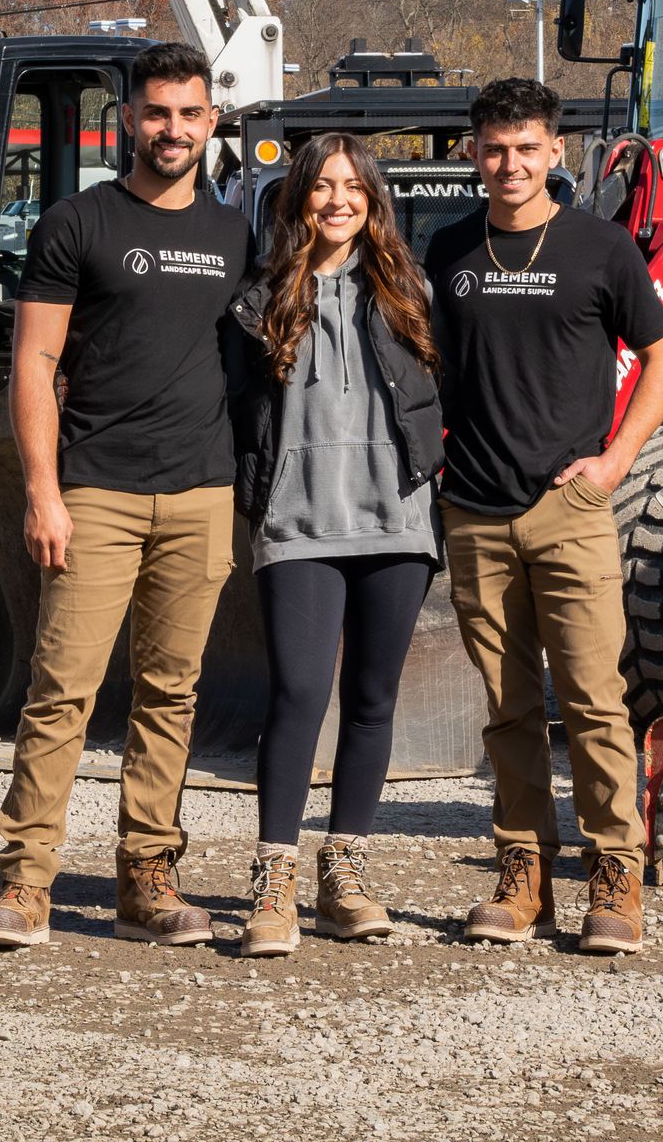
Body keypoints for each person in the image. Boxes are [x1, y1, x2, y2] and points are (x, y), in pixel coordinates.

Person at [0, 42, 251, 951]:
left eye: (190, 114)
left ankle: (146, 882)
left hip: (202, 493)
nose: (173, 130)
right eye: (158, 112)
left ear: (213, 123)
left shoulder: (234, 234)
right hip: (96, 492)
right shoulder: (78, 222)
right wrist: (43, 493)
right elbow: (34, 363)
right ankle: (25, 885)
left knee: (172, 696)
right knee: (63, 691)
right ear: (129, 118)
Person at [423, 77, 663, 956]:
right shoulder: (450, 252)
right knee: (506, 708)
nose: (510, 165)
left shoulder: (600, 248)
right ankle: (522, 873)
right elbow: (430, 376)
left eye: (526, 148)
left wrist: (613, 465)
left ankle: (615, 877)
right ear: (473, 153)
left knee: (596, 701)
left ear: (555, 152)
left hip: (570, 509)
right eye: (494, 149)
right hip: (475, 510)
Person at [223, 134, 444, 958]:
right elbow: (237, 410)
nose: (338, 200)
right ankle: (273, 878)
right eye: (322, 186)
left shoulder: (408, 289)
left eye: (354, 186)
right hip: (299, 522)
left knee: (373, 699)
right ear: (298, 199)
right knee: (297, 695)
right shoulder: (259, 297)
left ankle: (343, 870)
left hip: (396, 518)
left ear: (374, 199)